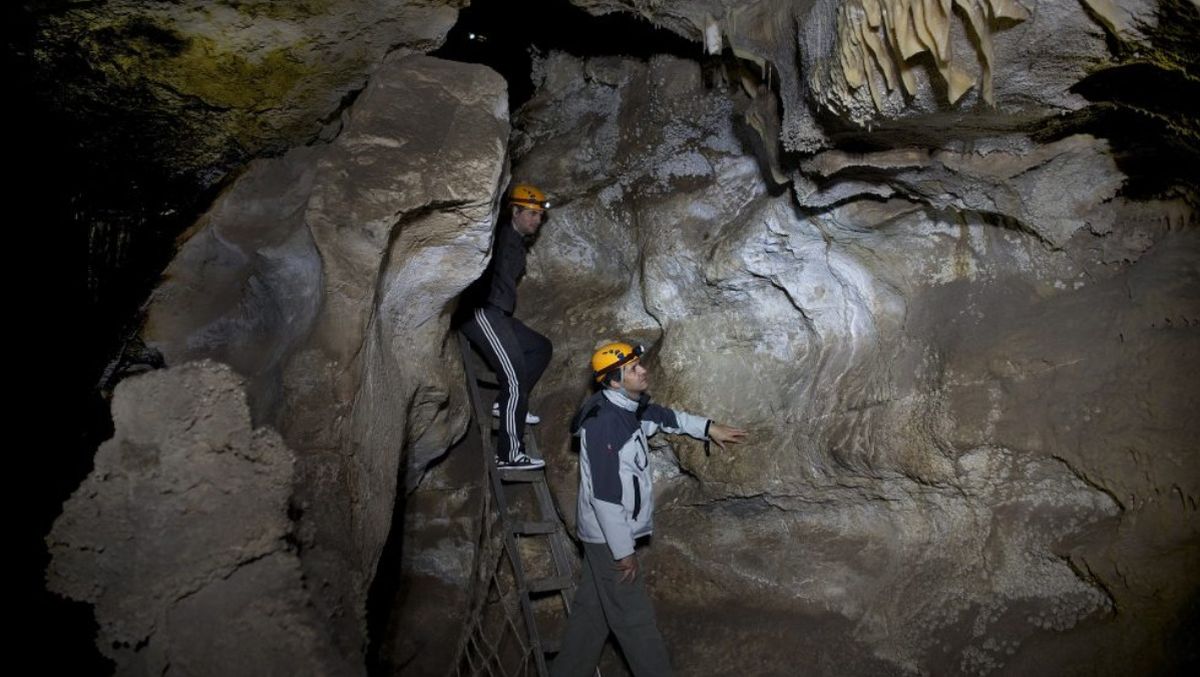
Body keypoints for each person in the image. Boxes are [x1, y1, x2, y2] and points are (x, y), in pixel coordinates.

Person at [551, 341, 748, 677]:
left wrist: (707, 427)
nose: (643, 370)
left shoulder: (626, 407)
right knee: (635, 621)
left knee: (591, 616)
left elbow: (663, 417)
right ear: (614, 382)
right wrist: (623, 551)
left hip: (605, 537)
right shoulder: (604, 424)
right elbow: (605, 497)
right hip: (608, 539)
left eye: (638, 363)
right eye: (633, 369)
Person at [459, 183, 554, 470]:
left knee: (541, 347)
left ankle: (504, 404)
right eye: (531, 214)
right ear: (514, 212)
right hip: (481, 311)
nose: (537, 220)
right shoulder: (498, 237)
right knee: (514, 378)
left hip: (499, 314)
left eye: (540, 216)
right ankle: (509, 454)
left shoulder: (517, 244)